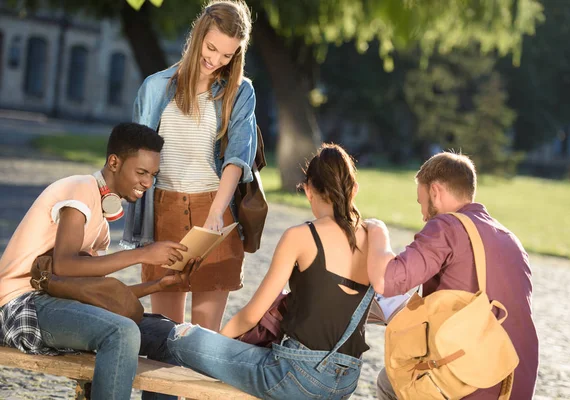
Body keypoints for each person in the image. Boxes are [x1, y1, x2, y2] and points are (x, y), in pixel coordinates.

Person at [0, 123, 201, 400]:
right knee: (122, 332)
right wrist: (143, 253)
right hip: (22, 305)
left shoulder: (102, 226)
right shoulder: (81, 189)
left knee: (168, 335)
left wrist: (158, 284)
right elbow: (64, 266)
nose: (147, 182)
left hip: (60, 304)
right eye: (141, 172)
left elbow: (95, 294)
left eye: (153, 175)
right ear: (114, 162)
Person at [166, 144, 374, 399]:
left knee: (179, 338)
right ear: (354, 190)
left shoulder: (301, 236)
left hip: (296, 375)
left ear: (308, 190)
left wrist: (216, 346)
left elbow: (251, 315)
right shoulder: (373, 236)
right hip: (346, 380)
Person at [122, 0, 257, 331]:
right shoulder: (156, 88)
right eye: (211, 48)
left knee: (201, 341)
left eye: (227, 55)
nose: (216, 60)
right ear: (198, 36)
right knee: (164, 337)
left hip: (215, 215)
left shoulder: (240, 92)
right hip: (164, 213)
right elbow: (135, 159)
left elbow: (236, 159)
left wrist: (215, 214)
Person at [365, 152, 539, 400]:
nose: (423, 214)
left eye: (421, 202)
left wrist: (377, 231)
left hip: (472, 380)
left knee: (391, 379)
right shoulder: (510, 239)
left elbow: (386, 280)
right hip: (515, 380)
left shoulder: (446, 226)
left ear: (435, 191)